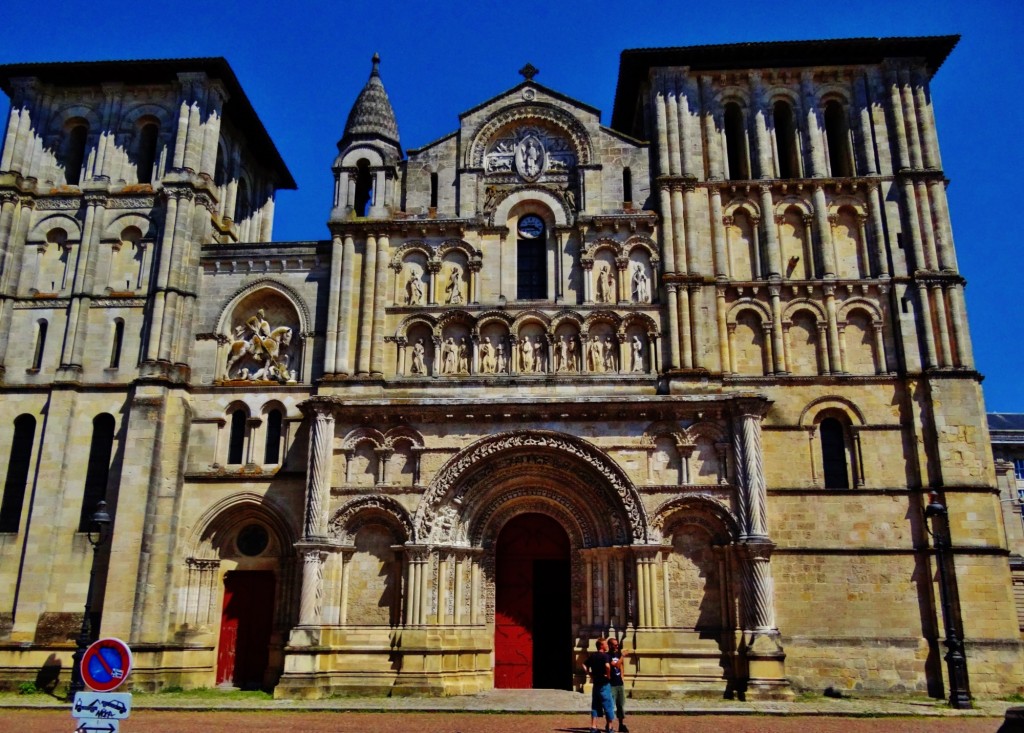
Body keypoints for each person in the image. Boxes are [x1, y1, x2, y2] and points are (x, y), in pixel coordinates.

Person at [583, 638, 617, 733]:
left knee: (595, 706)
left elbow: (584, 665)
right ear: (601, 646)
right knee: (608, 706)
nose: (607, 646)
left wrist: (589, 674)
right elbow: (607, 666)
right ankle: (609, 727)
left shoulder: (593, 656)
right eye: (605, 644)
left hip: (596, 684)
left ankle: (593, 727)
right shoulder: (605, 656)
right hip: (604, 684)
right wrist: (608, 675)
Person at [607, 637, 629, 733]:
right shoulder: (607, 656)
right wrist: (623, 656)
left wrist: (622, 676)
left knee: (620, 705)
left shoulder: (618, 654)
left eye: (617, 644)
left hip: (619, 683)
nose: (617, 646)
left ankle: (621, 724)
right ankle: (609, 725)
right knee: (611, 706)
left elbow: (621, 666)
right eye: (615, 645)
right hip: (611, 684)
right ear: (610, 645)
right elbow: (616, 665)